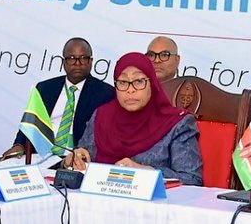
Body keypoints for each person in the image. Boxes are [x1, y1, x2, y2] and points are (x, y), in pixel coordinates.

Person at [66, 52, 202, 185]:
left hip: (154, 200)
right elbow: (81, 156)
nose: (130, 90)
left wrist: (145, 171)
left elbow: (192, 178)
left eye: (138, 81)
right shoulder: (102, 116)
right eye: (123, 82)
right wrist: (73, 159)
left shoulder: (177, 124)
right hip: (97, 197)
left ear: (152, 84)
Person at [4, 37, 111, 159]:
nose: (77, 63)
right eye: (71, 58)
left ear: (91, 61)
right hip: (41, 157)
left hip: (78, 159)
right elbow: (30, 124)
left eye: (83, 58)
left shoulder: (105, 93)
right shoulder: (44, 89)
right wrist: (19, 145)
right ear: (63, 62)